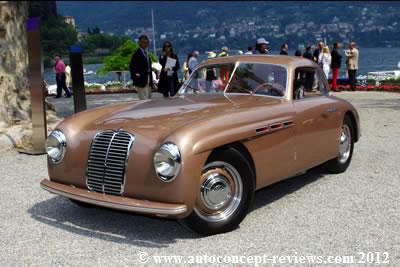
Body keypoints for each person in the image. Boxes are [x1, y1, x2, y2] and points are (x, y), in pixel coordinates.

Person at [129, 35, 153, 100]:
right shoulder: (136, 54)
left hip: (148, 77)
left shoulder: (146, 54)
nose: (145, 44)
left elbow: (148, 66)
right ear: (139, 43)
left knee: (149, 97)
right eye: (143, 42)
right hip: (141, 79)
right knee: (143, 99)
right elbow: (132, 67)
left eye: (146, 42)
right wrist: (136, 78)